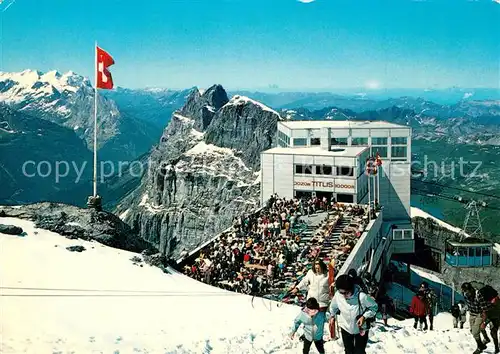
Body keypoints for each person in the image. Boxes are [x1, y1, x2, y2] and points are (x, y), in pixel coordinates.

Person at [326, 274, 378, 354]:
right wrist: (332, 316)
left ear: (352, 289)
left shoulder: (362, 297)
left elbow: (374, 307)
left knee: (359, 351)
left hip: (360, 328)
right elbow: (333, 307)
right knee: (348, 351)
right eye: (341, 292)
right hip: (345, 327)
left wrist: (364, 317)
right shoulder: (338, 295)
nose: (344, 295)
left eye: (346, 293)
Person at [462, 282, 492, 354]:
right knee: (472, 331)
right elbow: (468, 303)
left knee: (475, 332)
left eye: (467, 291)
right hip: (472, 313)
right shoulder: (464, 294)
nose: (466, 293)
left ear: (470, 289)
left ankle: (479, 347)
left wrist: (484, 322)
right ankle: (484, 342)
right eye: (464, 291)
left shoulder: (478, 295)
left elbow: (484, 310)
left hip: (480, 314)